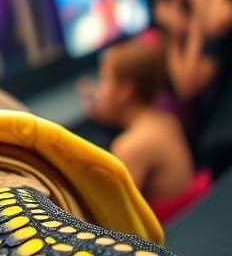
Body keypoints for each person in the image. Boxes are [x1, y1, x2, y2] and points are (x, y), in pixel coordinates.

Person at [82, 38, 197, 212]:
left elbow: (115, 215)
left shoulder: (130, 147)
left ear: (125, 90)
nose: (100, 90)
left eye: (104, 80)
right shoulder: (167, 120)